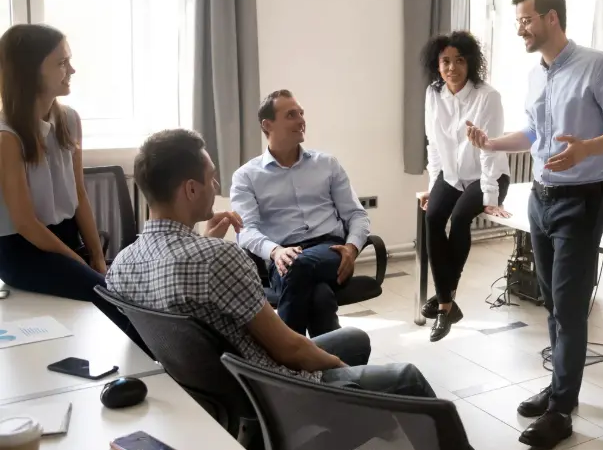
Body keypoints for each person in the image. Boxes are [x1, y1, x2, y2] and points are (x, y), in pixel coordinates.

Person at [107, 129, 436, 398]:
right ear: (191, 189)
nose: (216, 187)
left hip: (215, 389)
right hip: (272, 390)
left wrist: (205, 239)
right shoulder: (218, 258)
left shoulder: (122, 265)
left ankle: (337, 429)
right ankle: (333, 412)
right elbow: (290, 348)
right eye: (211, 179)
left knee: (355, 338)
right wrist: (339, 369)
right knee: (406, 376)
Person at [466, 0, 603, 449]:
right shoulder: (535, 76)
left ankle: (561, 409)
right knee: (551, 302)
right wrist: (491, 144)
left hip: (581, 200)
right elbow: (532, 133)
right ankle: (561, 387)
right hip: (541, 200)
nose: (519, 28)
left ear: (551, 19)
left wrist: (588, 148)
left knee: (568, 307)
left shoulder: (597, 65)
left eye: (525, 20)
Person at [0, 24, 147, 352]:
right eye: (62, 63)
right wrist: (78, 263)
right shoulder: (6, 136)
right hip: (24, 252)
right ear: (30, 71)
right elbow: (25, 224)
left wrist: (96, 254)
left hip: (66, 239)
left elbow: (79, 193)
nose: (72, 70)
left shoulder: (70, 120)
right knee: (117, 302)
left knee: (119, 293)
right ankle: (165, 370)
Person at [231, 90, 371, 338]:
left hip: (330, 251)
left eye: (301, 113)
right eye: (291, 115)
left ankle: (283, 357)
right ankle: (330, 367)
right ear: (267, 125)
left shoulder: (327, 164)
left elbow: (356, 215)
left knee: (299, 267)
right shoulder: (246, 176)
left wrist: (352, 247)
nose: (301, 120)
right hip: (283, 256)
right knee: (320, 296)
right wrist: (275, 251)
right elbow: (246, 230)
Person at [419, 31, 511, 342]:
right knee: (431, 218)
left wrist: (489, 196)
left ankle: (444, 304)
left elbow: (490, 149)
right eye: (445, 61)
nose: (452, 68)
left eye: (459, 60)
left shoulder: (487, 96)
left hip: (489, 174)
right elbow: (433, 144)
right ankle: (448, 303)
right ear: (437, 64)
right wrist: (433, 186)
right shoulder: (434, 94)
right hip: (452, 175)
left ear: (470, 63)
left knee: (459, 219)